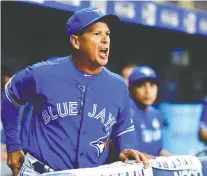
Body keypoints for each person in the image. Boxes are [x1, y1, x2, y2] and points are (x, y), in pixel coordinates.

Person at [1, 7, 149, 176]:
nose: (105, 40)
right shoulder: (43, 73)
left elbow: (123, 126)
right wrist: (13, 146)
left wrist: (126, 147)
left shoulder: (118, 85)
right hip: (40, 172)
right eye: (96, 34)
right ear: (76, 42)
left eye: (107, 34)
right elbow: (9, 96)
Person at [128, 66, 171, 158]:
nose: (148, 91)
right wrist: (158, 162)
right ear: (131, 89)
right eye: (141, 85)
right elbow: (131, 154)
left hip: (153, 167)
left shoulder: (156, 114)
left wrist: (177, 160)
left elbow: (158, 151)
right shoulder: (126, 114)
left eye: (152, 85)